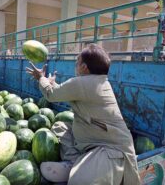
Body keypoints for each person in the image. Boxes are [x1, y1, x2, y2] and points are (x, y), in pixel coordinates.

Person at [26, 43, 140, 185]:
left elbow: (51, 94)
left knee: (79, 181)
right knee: (60, 127)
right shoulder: (98, 82)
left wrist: (41, 78)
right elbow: (67, 92)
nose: (76, 66)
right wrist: (52, 84)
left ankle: (78, 168)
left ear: (84, 67)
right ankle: (75, 163)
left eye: (77, 62)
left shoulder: (82, 83)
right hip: (91, 138)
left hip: (109, 148)